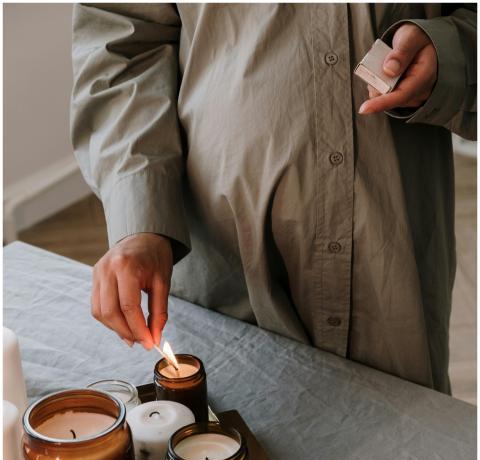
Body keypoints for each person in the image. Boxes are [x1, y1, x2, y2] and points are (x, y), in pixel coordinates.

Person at [71, 3, 476, 393]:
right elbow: (122, 38)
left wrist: (453, 52)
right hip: (221, 267)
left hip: (393, 262)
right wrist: (140, 217)